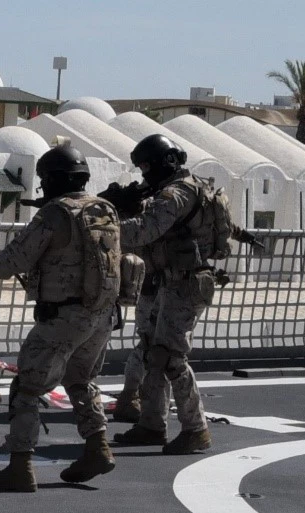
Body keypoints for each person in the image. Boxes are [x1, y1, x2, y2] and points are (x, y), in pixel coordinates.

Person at [0, 141, 121, 492]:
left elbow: (15, 260)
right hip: (102, 315)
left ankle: (20, 466)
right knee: (80, 381)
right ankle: (97, 447)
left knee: (26, 388)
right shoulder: (106, 209)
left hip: (62, 317)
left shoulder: (55, 213)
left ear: (53, 180)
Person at [108, 134, 218, 455]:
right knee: (151, 351)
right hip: (166, 282)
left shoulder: (176, 193)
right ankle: (152, 424)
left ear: (165, 162)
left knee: (170, 356)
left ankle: (196, 429)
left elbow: (145, 231)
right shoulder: (167, 192)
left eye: (147, 167)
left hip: (184, 284)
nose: (144, 175)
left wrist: (101, 226)